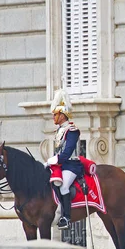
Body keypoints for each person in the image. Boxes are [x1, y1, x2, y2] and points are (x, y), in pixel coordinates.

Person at [45, 89, 83, 230]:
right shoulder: (59, 130)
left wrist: (52, 161)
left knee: (64, 185)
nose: (53, 117)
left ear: (62, 115)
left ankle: (66, 217)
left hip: (72, 165)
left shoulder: (71, 130)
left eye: (55, 114)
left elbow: (66, 154)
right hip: (61, 166)